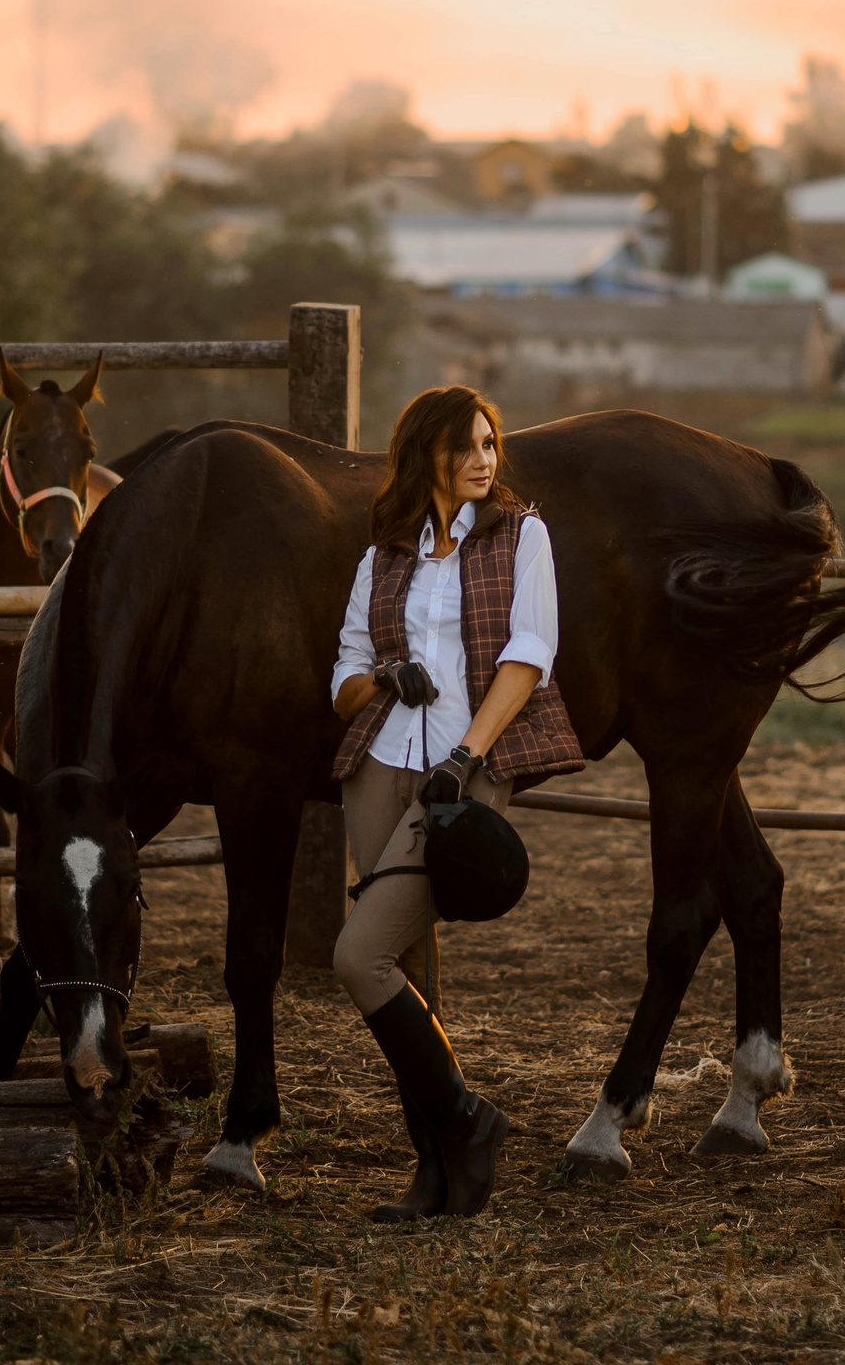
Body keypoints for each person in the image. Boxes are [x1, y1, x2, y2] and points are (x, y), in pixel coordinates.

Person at [329, 385, 584, 1220]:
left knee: (356, 957)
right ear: (425, 455)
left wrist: (467, 757)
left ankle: (471, 1123)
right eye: (466, 447)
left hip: (461, 772)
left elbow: (530, 653)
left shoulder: (522, 536)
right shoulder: (385, 556)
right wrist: (380, 679)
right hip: (379, 764)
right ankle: (441, 1172)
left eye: (490, 443)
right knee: (405, 974)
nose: (484, 460)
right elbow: (344, 677)